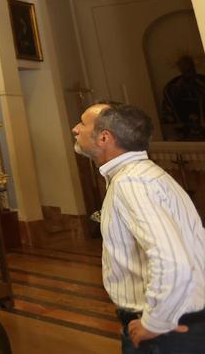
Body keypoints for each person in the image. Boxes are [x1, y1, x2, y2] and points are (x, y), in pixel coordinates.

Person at [71, 102, 205, 352]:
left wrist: (155, 323)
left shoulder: (131, 182)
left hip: (169, 331)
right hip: (179, 320)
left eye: (82, 123)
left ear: (104, 137)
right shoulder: (143, 174)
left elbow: (172, 260)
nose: (75, 129)